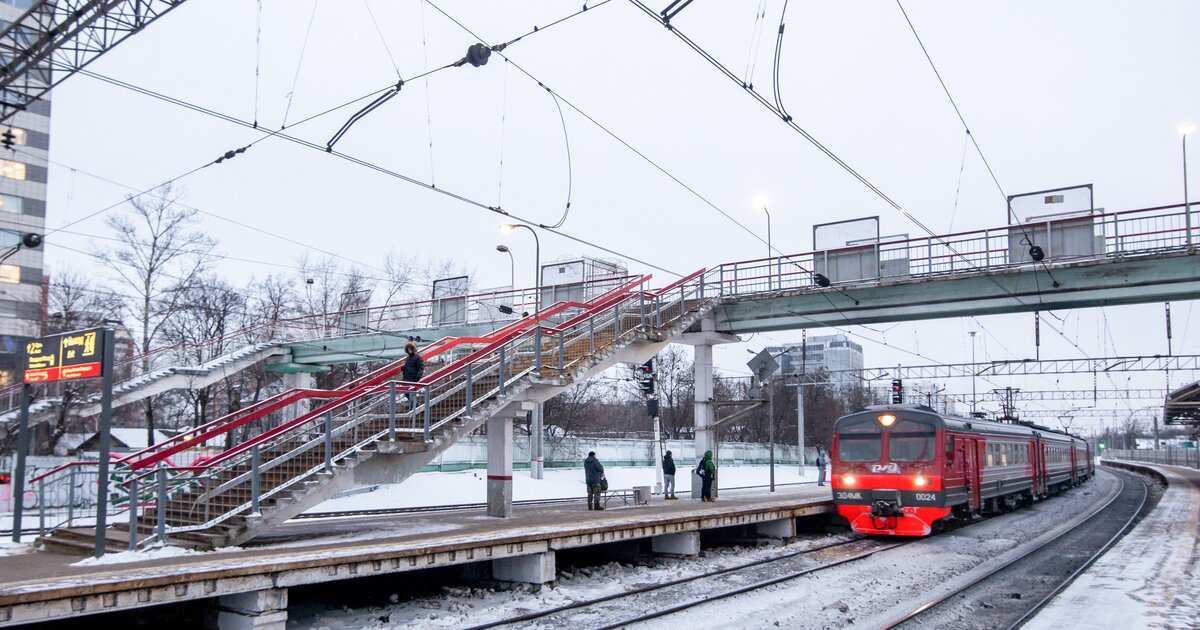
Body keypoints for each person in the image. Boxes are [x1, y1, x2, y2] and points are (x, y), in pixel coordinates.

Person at [401, 341, 425, 408]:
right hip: (406, 379)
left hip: (413, 379)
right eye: (408, 349)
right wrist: (403, 368)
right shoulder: (407, 358)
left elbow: (421, 368)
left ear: (413, 349)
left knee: (412, 395)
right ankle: (417, 407)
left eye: (411, 349)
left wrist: (418, 377)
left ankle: (412, 412)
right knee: (406, 394)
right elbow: (406, 367)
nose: (409, 350)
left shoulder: (418, 358)